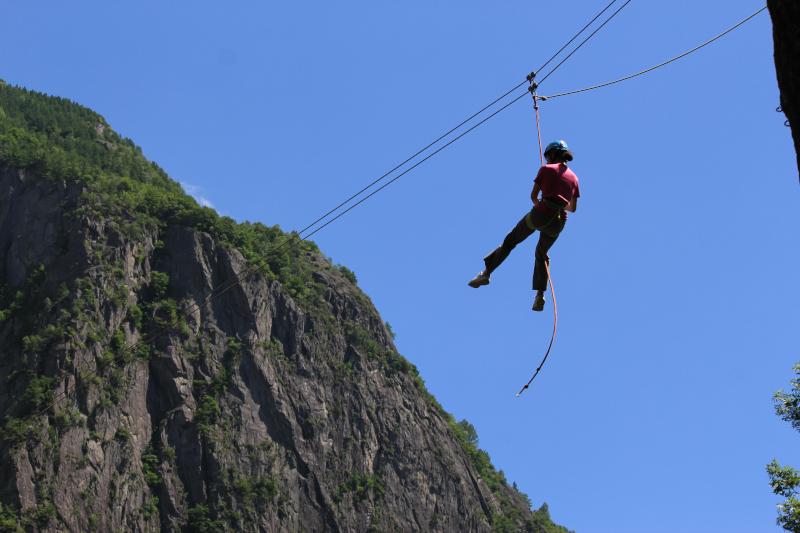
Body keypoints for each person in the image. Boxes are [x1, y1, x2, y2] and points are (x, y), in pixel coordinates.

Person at [468, 140, 580, 311]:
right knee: (542, 254)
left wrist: (543, 204)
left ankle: (486, 274)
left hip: (540, 214)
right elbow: (572, 208)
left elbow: (534, 196)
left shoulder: (545, 169)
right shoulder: (574, 178)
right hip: (559, 222)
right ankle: (540, 295)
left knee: (511, 240)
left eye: (547, 157)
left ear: (552, 155)